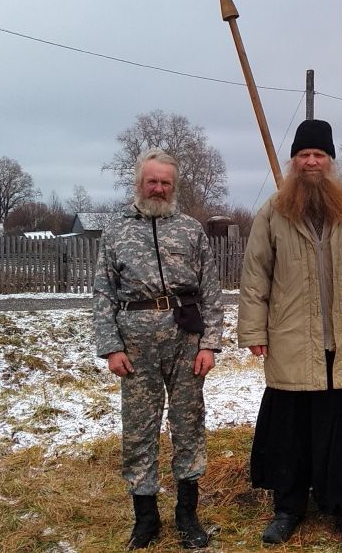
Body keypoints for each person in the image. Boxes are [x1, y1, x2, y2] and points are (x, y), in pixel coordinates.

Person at [237, 119, 342, 550]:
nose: (311, 162)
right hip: (290, 337)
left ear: (330, 161)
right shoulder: (274, 209)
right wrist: (253, 327)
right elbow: (255, 276)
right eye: (303, 155)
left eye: (318, 155)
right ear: (294, 162)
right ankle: (288, 509)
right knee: (290, 432)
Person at [93, 148, 224, 550]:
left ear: (174, 185)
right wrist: (111, 347)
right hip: (135, 343)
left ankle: (187, 515)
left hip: (185, 340)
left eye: (166, 182)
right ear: (139, 182)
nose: (159, 188)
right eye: (153, 181)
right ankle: (145, 518)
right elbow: (103, 293)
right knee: (138, 430)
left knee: (188, 425)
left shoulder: (190, 229)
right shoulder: (115, 231)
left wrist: (210, 344)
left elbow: (211, 290)